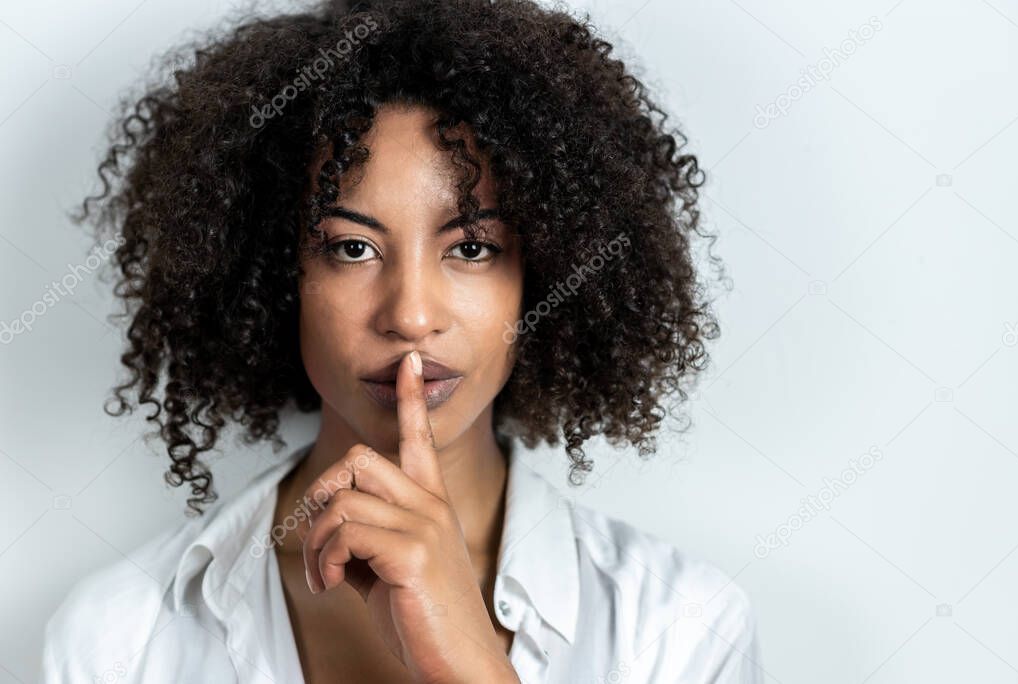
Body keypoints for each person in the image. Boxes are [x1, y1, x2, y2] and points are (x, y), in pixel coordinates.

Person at [41, 0, 763, 681]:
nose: (412, 316)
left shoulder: (682, 630)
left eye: (472, 248)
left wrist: (470, 661)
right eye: (353, 249)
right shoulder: (119, 637)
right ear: (271, 275)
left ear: (542, 274)